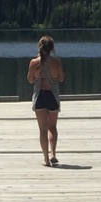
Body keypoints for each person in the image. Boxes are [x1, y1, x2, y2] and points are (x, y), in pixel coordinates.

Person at [27, 34, 64, 165]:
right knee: (52, 127)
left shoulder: (33, 62)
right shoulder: (57, 62)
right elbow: (61, 78)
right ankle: (53, 154)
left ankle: (46, 159)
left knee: (42, 129)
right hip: (52, 95)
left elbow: (30, 80)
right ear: (52, 48)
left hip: (39, 96)